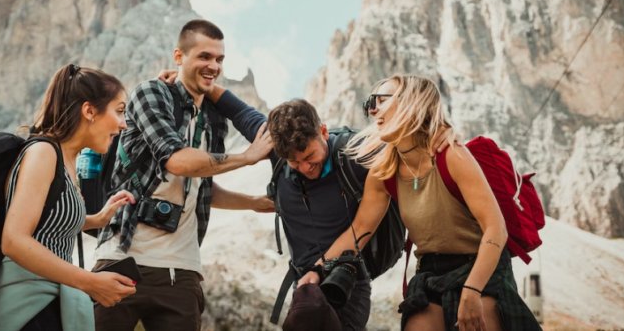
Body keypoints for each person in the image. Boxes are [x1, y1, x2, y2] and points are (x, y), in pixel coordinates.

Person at [154, 79, 451, 331]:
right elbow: (237, 109)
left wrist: (441, 134)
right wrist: (192, 81)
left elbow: (406, 139)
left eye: (310, 157)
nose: (304, 167)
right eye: (293, 162)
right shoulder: (278, 151)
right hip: (304, 283)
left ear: (323, 132)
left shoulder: (355, 154)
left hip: (346, 280)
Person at [93, 19, 275, 331]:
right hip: (122, 259)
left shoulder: (215, 118)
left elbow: (199, 183)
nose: (214, 66)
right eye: (204, 56)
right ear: (179, 57)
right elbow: (177, 162)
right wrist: (246, 158)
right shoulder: (150, 94)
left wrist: (252, 202)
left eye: (219, 59)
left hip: (183, 271)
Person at [319, 75, 541, 331]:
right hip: (430, 272)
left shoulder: (452, 156)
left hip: (481, 265)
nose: (372, 109)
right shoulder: (383, 173)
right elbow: (358, 232)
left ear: (411, 103)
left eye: (382, 101)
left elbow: (496, 229)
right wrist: (316, 270)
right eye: (371, 102)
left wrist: (472, 290)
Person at [0, 64, 139, 331]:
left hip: (48, 300)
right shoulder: (44, 152)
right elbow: (14, 241)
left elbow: (47, 223)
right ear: (89, 111)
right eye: (119, 111)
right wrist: (90, 282)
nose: (123, 124)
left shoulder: (66, 159)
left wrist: (97, 219)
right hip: (24, 307)